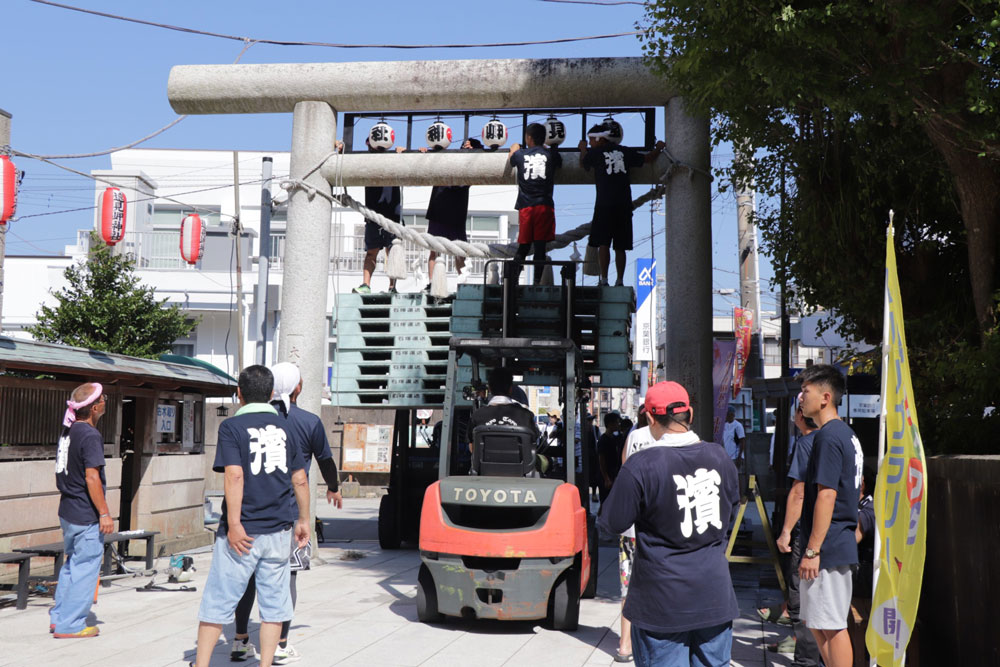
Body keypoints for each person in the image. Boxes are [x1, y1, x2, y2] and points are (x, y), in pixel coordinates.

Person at [599, 381, 740, 667]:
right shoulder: (721, 458)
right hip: (714, 592)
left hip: (661, 598)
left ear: (650, 417)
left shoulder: (642, 465)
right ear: (688, 412)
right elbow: (731, 513)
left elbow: (612, 522)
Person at [192, 366, 310, 667]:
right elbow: (300, 479)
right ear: (272, 394)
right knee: (274, 605)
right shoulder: (286, 429)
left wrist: (233, 524)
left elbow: (234, 475)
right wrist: (304, 520)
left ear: (239, 393)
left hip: (241, 534)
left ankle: (202, 664)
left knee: (218, 600)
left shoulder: (232, 428)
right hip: (279, 530)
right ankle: (266, 663)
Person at [230, 363, 343, 664]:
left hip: (249, 511)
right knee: (287, 576)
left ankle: (241, 639)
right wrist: (334, 487)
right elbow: (325, 460)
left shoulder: (247, 422)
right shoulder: (307, 422)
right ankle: (280, 643)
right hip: (289, 514)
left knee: (248, 577)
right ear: (298, 388)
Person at [797, 364, 864, 667]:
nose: (801, 397)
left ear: (825, 397)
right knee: (817, 622)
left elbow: (827, 494)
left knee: (832, 626)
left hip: (828, 546)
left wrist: (812, 549)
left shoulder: (828, 436)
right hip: (837, 542)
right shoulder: (846, 434)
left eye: (806, 391)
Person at [49, 383, 114, 638]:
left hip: (67, 509)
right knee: (85, 569)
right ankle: (71, 624)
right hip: (85, 511)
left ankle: (59, 617)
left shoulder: (68, 430)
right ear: (96, 407)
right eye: (104, 399)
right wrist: (105, 513)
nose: (105, 402)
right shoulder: (89, 435)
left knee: (71, 566)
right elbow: (92, 478)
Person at [578, 126, 665, 286]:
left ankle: (604, 279)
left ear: (599, 139)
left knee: (604, 243)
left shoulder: (595, 153)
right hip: (623, 204)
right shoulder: (624, 151)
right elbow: (647, 159)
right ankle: (620, 279)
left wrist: (582, 149)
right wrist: (659, 148)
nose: (589, 143)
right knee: (620, 245)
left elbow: (583, 164)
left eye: (591, 140)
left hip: (604, 204)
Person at [769, 406, 822, 664]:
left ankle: (806, 659)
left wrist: (786, 532)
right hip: (831, 534)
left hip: (809, 532)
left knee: (802, 597)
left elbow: (799, 492)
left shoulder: (807, 443)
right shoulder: (839, 439)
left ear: (800, 416)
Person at [615, 405, 655, 662]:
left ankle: (624, 645)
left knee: (627, 585)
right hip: (656, 529)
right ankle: (651, 642)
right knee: (657, 584)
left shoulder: (632, 438)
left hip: (630, 527)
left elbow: (624, 476)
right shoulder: (667, 440)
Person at [423, 138, 483, 288]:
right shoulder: (447, 159)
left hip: (456, 214)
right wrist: (424, 154)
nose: (465, 147)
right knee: (434, 250)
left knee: (460, 251)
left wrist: (473, 152)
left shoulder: (473, 167)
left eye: (469, 146)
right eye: (463, 145)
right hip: (438, 211)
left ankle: (462, 282)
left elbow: (481, 158)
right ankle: (431, 283)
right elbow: (431, 160)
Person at [508, 123, 562, 284]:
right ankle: (538, 280)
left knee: (523, 245)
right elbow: (559, 163)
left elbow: (511, 159)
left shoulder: (521, 154)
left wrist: (514, 146)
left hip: (526, 206)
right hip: (544, 205)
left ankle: (513, 278)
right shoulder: (550, 154)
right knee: (540, 246)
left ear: (528, 138)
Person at [354, 139, 407, 295]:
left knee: (393, 252)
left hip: (393, 215)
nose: (372, 145)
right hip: (373, 215)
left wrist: (403, 155)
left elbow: (409, 166)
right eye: (370, 142)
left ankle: (392, 287)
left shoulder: (394, 158)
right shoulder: (367, 161)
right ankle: (366, 284)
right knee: (371, 252)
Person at [466, 367, 540, 460]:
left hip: (485, 469)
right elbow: (533, 442)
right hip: (519, 470)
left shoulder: (477, 415)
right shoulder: (526, 416)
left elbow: (472, 445)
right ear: (510, 389)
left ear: (490, 389)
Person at [597, 413, 624, 506]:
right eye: (617, 423)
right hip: (607, 475)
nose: (618, 425)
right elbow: (601, 460)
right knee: (605, 502)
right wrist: (606, 478)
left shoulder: (615, 438)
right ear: (610, 424)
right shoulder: (603, 440)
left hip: (614, 474)